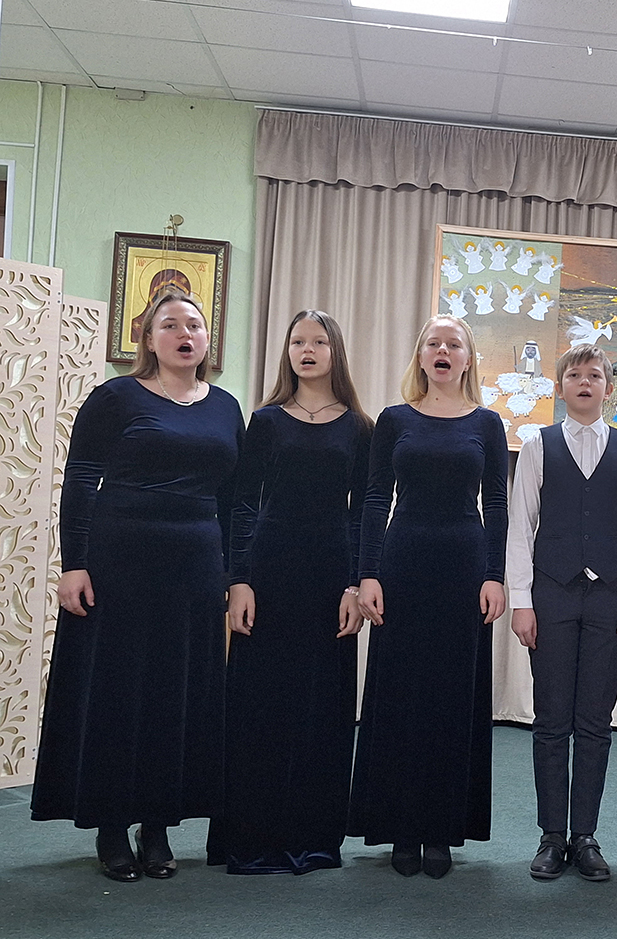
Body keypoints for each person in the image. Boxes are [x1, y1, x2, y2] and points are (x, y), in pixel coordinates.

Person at [31, 286, 244, 882]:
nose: (184, 334)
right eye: (169, 324)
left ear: (207, 339)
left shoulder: (226, 407)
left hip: (195, 569)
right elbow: (80, 480)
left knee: (177, 694)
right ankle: (110, 824)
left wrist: (232, 575)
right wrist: (74, 563)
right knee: (117, 691)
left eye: (194, 325)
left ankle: (157, 825)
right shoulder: (115, 397)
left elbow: (234, 500)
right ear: (147, 339)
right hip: (119, 563)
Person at [209, 310, 373, 875]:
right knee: (258, 705)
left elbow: (362, 513)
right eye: (298, 341)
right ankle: (249, 837)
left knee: (322, 707)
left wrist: (355, 583)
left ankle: (313, 836)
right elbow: (241, 505)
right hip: (268, 573)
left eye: (318, 341)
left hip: (330, 577)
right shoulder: (265, 421)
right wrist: (238, 579)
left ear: (335, 351)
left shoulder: (359, 427)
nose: (307, 350)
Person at [349, 314, 508, 879]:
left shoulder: (488, 423)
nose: (443, 350)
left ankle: (441, 828)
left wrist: (495, 574)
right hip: (402, 564)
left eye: (454, 344)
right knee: (399, 693)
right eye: (433, 343)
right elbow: (374, 499)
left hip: (464, 568)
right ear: (421, 356)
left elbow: (497, 503)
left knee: (452, 697)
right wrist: (367, 573)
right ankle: (399, 825)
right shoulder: (394, 420)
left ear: (467, 359)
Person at [506, 345, 617, 882]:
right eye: (575, 375)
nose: (585, 382)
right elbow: (520, 527)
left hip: (610, 599)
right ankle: (551, 835)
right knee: (550, 721)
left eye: (594, 376)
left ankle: (585, 835)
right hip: (551, 596)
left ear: (609, 389)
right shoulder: (536, 445)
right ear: (560, 387)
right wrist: (521, 601)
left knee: (594, 722)